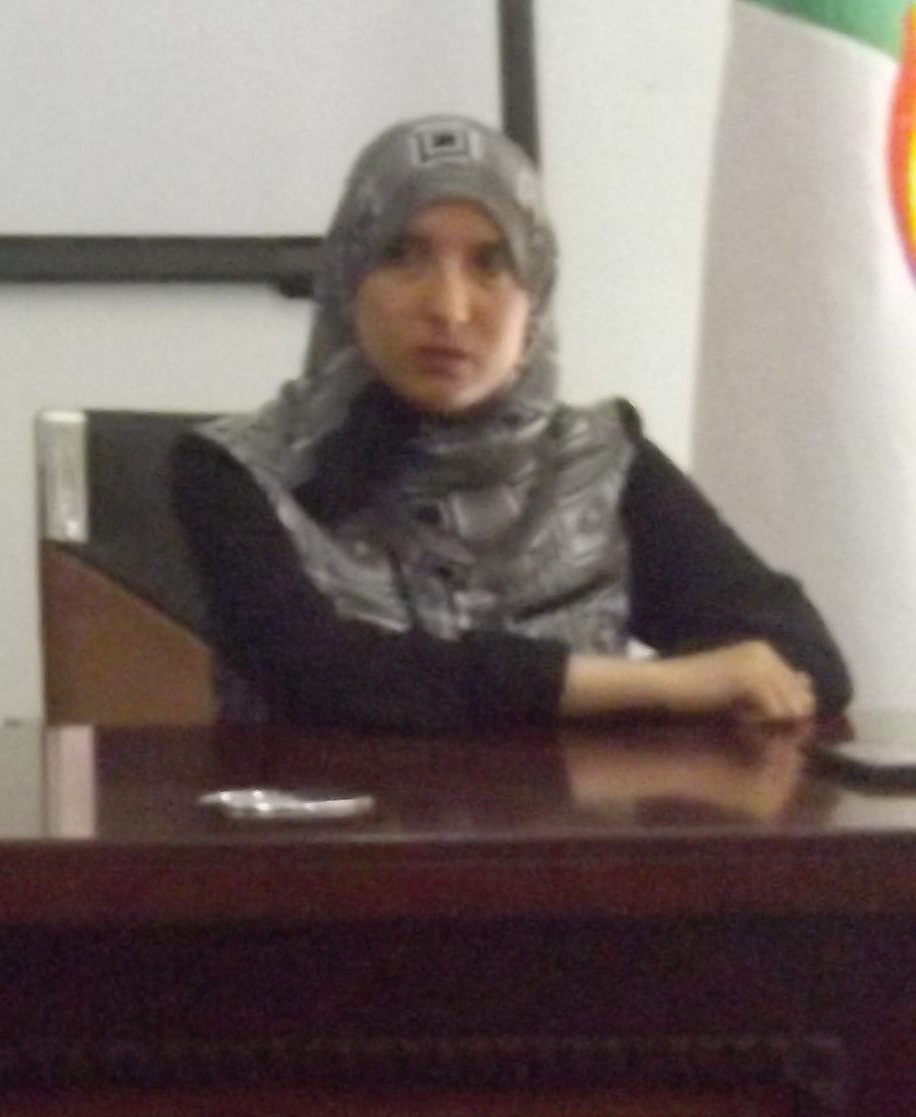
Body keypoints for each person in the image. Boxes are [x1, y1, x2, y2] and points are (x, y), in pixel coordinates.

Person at [170, 113, 850, 731]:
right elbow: (328, 680)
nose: (449, 308)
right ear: (348, 283)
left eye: (491, 264)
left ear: (536, 303)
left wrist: (713, 681)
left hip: (568, 831)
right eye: (403, 256)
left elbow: (799, 660)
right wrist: (669, 684)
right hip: (328, 829)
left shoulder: (598, 462)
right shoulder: (240, 471)